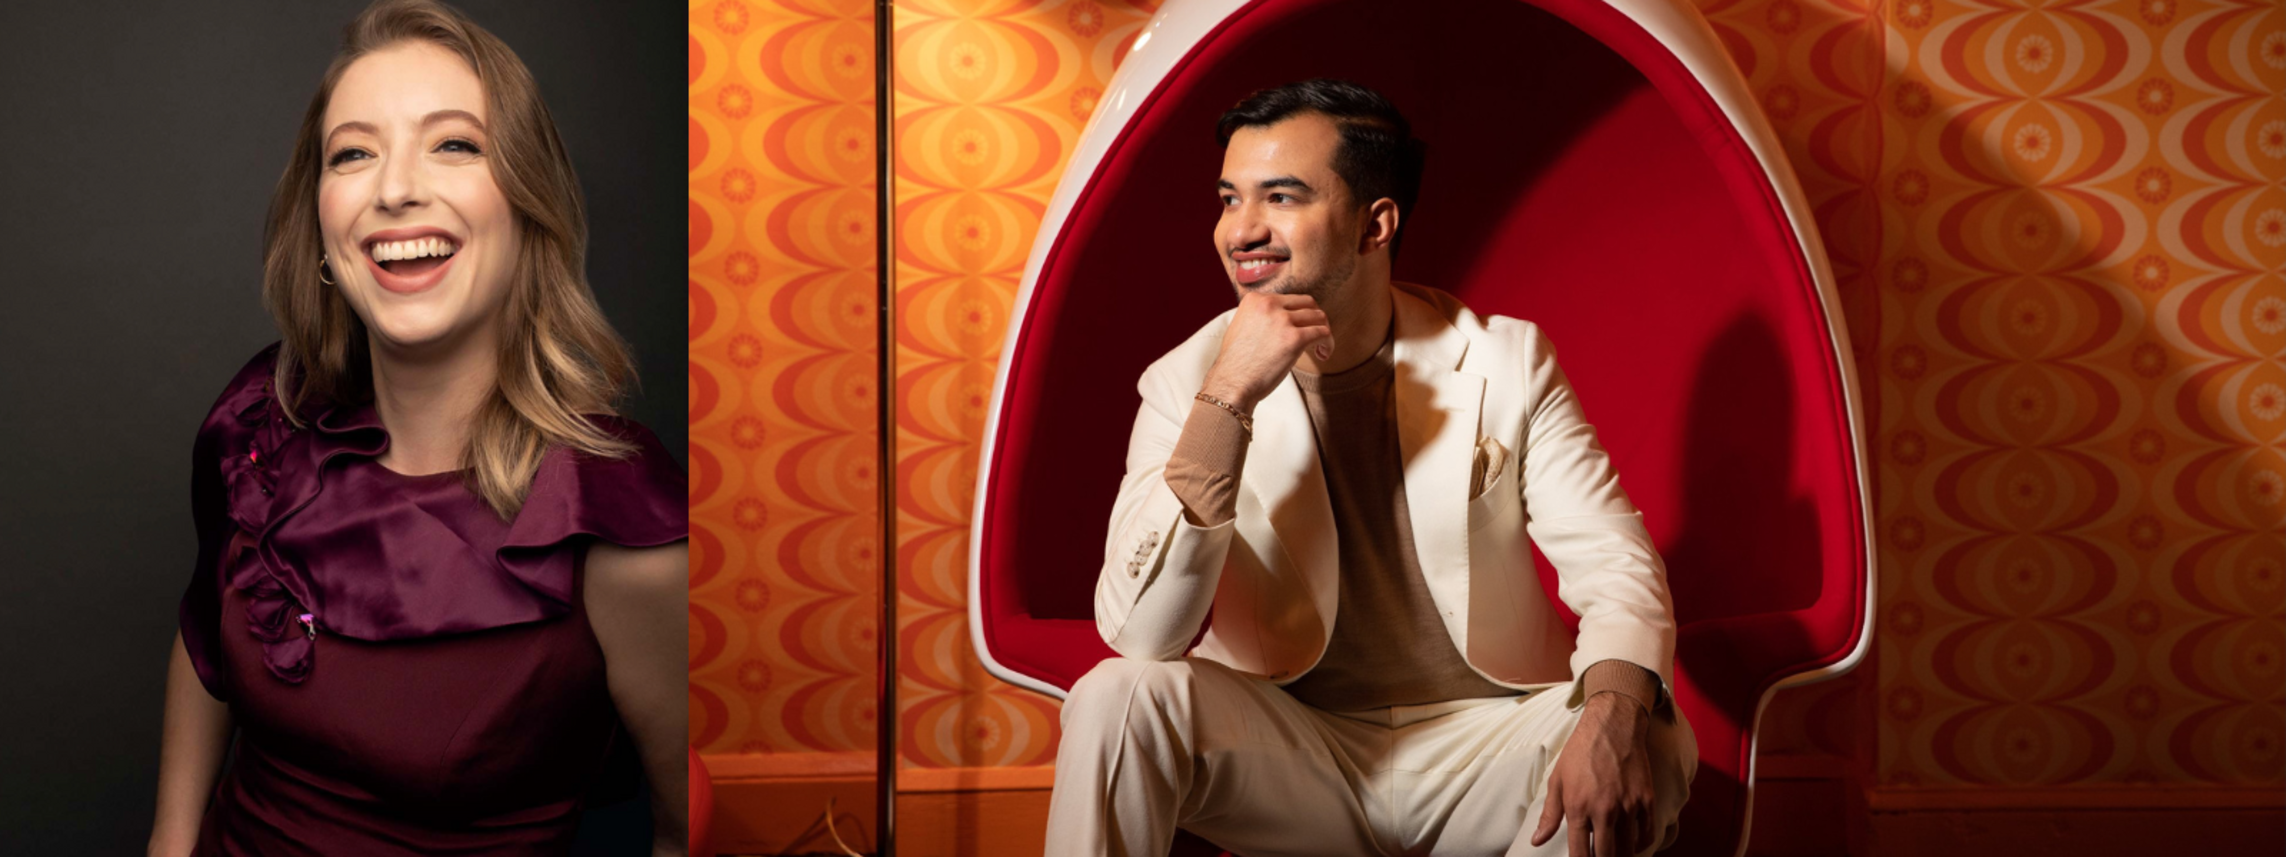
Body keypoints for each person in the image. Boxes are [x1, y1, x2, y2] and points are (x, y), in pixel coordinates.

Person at [1044, 79, 1698, 857]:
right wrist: (1228, 398)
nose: (1240, 231)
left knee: (1648, 730)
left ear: (1375, 223)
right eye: (1228, 199)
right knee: (1116, 696)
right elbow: (1142, 633)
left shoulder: (1506, 359)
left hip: (1483, 744)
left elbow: (1613, 561)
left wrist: (1612, 714)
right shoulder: (1185, 379)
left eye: (1280, 197)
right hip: (1293, 749)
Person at [144, 2, 689, 855]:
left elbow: (682, 821)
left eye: (455, 144)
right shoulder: (260, 419)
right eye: (353, 153)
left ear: (529, 206)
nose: (395, 189)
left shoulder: (618, 517)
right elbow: (207, 643)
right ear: (321, 225)